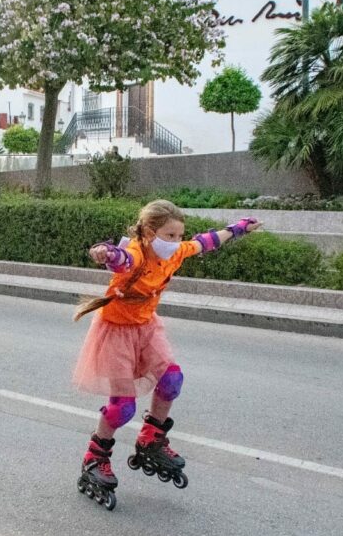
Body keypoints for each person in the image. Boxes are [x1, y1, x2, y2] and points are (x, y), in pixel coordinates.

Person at [72, 200, 260, 510]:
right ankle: (95, 457)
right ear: (148, 232)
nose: (175, 243)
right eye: (169, 235)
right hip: (116, 333)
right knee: (122, 409)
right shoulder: (136, 253)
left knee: (172, 379)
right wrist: (104, 253)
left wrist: (238, 229)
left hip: (146, 328)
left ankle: (151, 439)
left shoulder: (176, 251)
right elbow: (119, 259)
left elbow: (205, 242)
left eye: (178, 236)